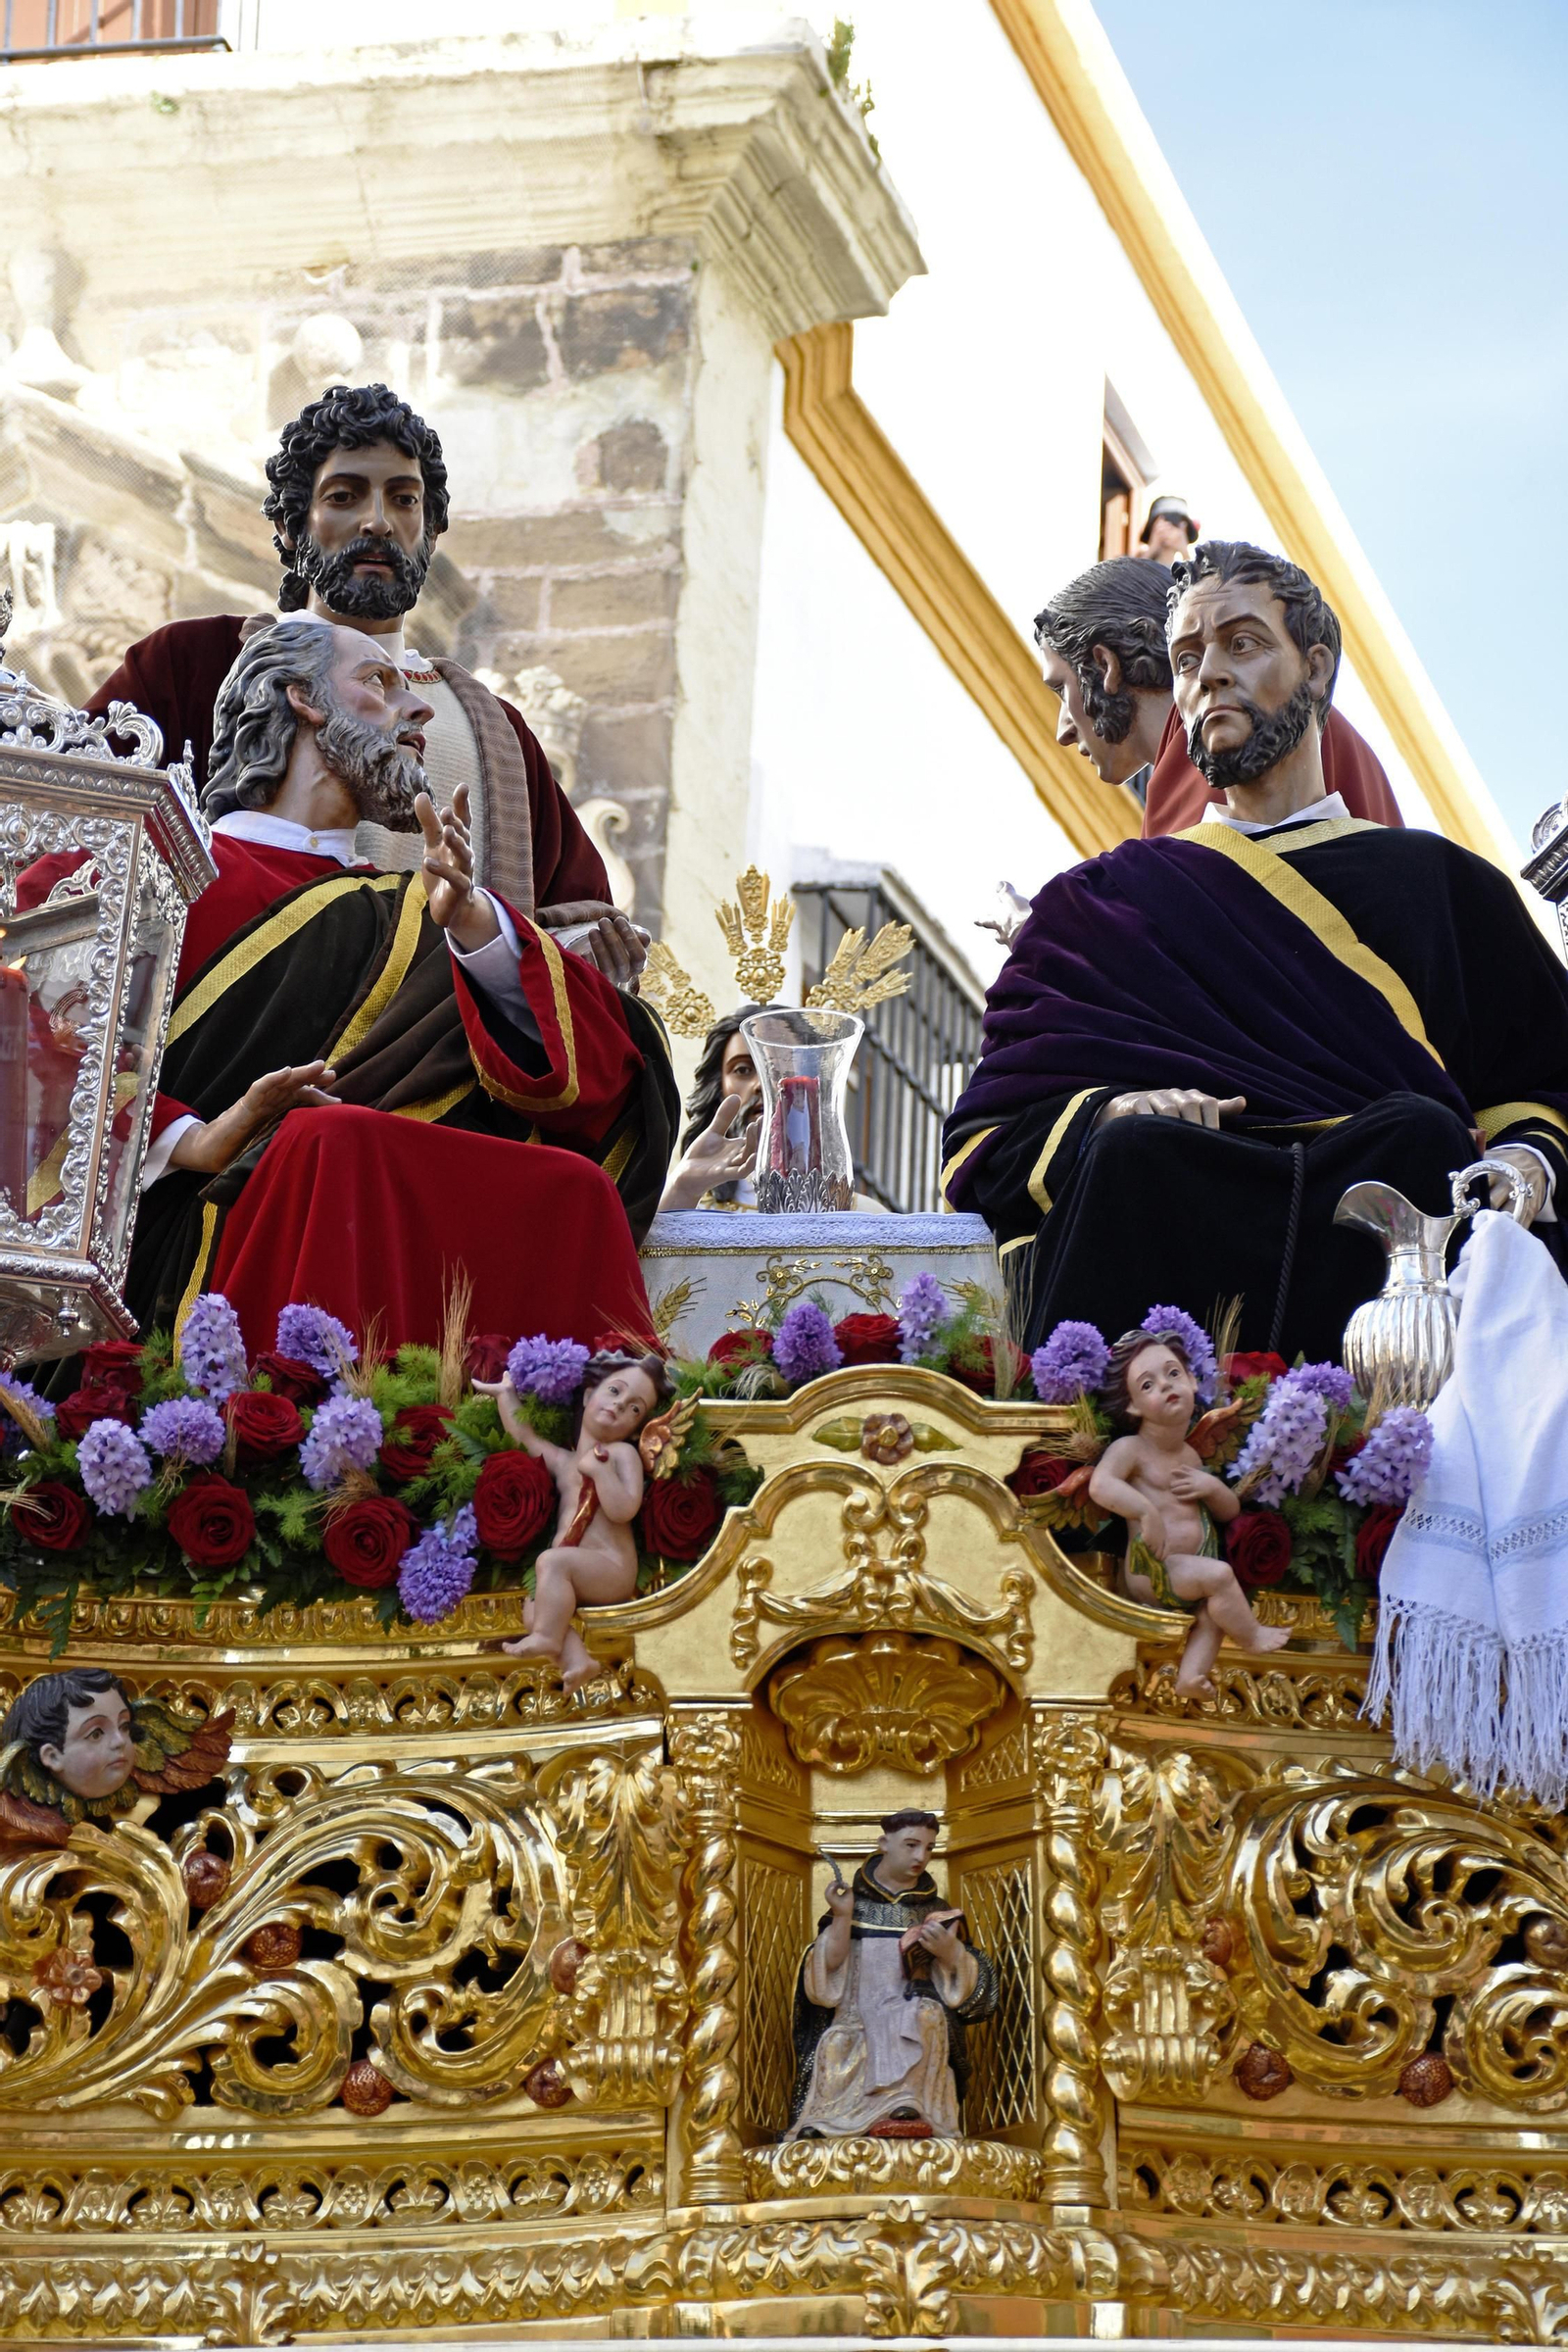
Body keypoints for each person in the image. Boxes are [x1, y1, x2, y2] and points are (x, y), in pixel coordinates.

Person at [946, 541, 1568, 1363]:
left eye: (1242, 644)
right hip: (1161, 1322)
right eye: (1186, 658)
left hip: (1396, 1306)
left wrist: (1528, 1158)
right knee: (1135, 1149)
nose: (1209, 674)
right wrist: (1110, 1113)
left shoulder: (1447, 887)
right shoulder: (1093, 907)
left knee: (1417, 1133)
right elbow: (985, 1141)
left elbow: (1539, 1082)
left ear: (1317, 667)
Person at [24, 619, 676, 1349]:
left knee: (573, 1190)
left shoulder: (419, 906)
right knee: (330, 1140)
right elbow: (21, 1020)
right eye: (378, 682)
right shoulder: (144, 861)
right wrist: (192, 1136)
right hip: (172, 1261)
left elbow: (613, 1075)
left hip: (363, 1251)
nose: (418, 708)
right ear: (301, 698)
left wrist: (476, 929)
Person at [84, 382, 641, 980]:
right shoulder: (195, 663)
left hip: (434, 1037)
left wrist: (583, 950)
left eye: (404, 500)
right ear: (292, 526)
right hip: (236, 1013)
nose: (377, 522)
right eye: (344, 496)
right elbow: (77, 834)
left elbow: (573, 917)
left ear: (430, 532)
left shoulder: (494, 733)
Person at [1035, 554, 1402, 836]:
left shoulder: (1228, 747)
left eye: (1062, 689)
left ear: (1105, 665)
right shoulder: (1297, 722)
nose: (1063, 730)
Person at [1088, 1328, 1286, 1697]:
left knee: (1214, 1612)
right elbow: (1100, 1486)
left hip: (1189, 1569)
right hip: (1155, 1570)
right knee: (1220, 1576)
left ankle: (1190, 1677)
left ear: (1193, 1381)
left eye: (1173, 1373)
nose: (1165, 1385)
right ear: (1132, 1406)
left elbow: (1228, 1512)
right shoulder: (1131, 1449)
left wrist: (1212, 1487)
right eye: (1148, 1385)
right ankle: (1252, 1636)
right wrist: (1146, 1512)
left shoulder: (1190, 1456)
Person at [788, 1810, 997, 2140]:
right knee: (837, 2043)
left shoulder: (935, 1909)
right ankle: (829, 2122)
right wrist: (842, 1916)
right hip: (858, 2010)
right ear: (884, 1843)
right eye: (911, 1845)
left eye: (929, 1848)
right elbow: (828, 1966)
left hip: (912, 2002)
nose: (920, 1856)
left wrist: (951, 1953)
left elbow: (963, 1985)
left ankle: (909, 2107)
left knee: (924, 2019)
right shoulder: (854, 1904)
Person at [480, 1349, 670, 1690]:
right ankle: (577, 1660)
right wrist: (506, 1395)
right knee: (533, 1610)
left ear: (637, 1427)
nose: (620, 1405)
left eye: (635, 1409)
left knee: (551, 1563)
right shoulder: (564, 1461)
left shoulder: (621, 1454)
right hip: (573, 1567)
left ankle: (547, 1639)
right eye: (615, 1391)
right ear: (587, 1395)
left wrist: (602, 1473)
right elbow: (526, 1437)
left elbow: (624, 1509)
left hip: (611, 1568)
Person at [659, 1005, 765, 1210]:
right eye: (743, 1070)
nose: (760, 1084)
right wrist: (682, 1190)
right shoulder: (696, 1199)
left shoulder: (833, 1196)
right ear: (718, 1087)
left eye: (778, 1068)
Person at [1134, 492, 1200, 564]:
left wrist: (1185, 552)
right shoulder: (1134, 561)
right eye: (1165, 520)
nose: (1170, 528)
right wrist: (1152, 549)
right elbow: (1132, 570)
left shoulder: (1182, 568)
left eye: (1176, 523)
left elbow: (1194, 571)